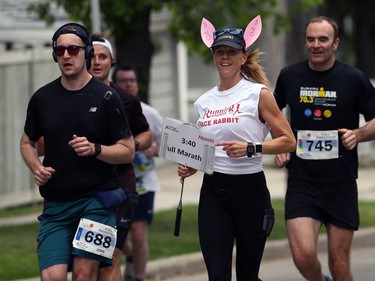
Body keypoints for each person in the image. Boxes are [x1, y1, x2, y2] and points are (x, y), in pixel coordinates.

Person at [177, 16, 296, 281]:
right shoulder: (204, 102)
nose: (225, 57)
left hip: (250, 193)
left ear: (243, 57)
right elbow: (205, 149)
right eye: (220, 52)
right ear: (214, 56)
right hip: (214, 194)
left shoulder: (258, 94)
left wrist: (251, 148)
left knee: (246, 276)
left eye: (231, 52)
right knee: (217, 275)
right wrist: (191, 165)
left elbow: (288, 141)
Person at [20, 23, 135, 281]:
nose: (66, 56)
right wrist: (35, 167)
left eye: (73, 49)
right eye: (60, 51)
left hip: (97, 200)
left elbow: (127, 151)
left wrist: (96, 149)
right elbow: (27, 142)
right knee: (52, 276)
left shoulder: (107, 97)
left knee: (84, 274)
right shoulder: (42, 98)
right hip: (56, 205)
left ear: (88, 53)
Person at [273, 16, 375, 281]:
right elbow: (270, 112)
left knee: (339, 263)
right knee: (303, 255)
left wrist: (359, 134)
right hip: (302, 183)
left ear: (335, 43)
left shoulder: (354, 79)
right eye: (310, 39)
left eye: (323, 39)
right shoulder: (290, 76)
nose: (316, 45)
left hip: (340, 183)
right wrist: (279, 141)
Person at [88, 33, 152, 281]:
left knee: (110, 256)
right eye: (91, 56)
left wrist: (129, 147)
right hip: (81, 189)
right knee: (85, 262)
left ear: (112, 61)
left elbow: (146, 133)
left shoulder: (126, 100)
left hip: (120, 188)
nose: (96, 62)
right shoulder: (68, 97)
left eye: (102, 56)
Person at [112, 65, 163, 281]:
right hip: (115, 182)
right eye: (123, 81)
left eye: (132, 80)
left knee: (139, 233)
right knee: (115, 235)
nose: (128, 84)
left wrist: (153, 150)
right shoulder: (108, 106)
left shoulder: (150, 113)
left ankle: (138, 277)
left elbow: (166, 142)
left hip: (144, 183)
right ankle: (130, 256)